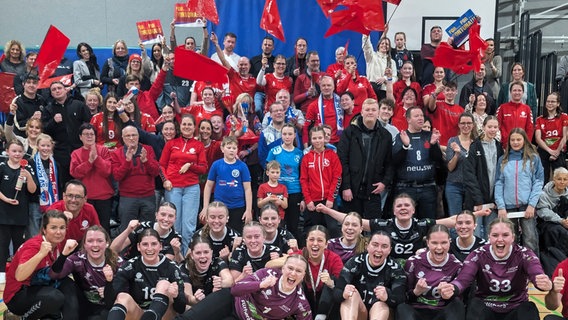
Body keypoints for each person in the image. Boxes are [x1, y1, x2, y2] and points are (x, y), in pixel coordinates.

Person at [318, 193, 490, 265]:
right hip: (391, 268)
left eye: (407, 205)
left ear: (413, 210)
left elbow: (453, 221)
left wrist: (479, 213)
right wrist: (327, 210)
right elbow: (355, 221)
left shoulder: (422, 224)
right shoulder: (385, 225)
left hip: (416, 268)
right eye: (399, 206)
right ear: (393, 210)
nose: (403, 208)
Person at [442, 218, 552, 320]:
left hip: (515, 307)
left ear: (513, 237)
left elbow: (536, 272)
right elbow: (463, 279)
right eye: (495, 235)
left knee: (529, 308)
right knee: (474, 305)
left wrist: (543, 282)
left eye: (505, 235)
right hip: (486, 307)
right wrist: (452, 287)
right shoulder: (478, 254)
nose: (500, 239)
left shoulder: (524, 254)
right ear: (489, 237)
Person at [171, 254, 312, 320]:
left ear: (303, 275)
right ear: (283, 268)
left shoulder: (299, 302)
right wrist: (260, 285)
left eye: (298, 271)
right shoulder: (267, 273)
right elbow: (235, 289)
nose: (293, 273)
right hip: (230, 300)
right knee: (191, 318)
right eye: (290, 268)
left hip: (243, 318)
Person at [4, 211, 79, 319]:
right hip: (17, 295)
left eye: (62, 228)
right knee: (55, 297)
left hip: (39, 286)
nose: (58, 232)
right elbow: (19, 276)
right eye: (53, 228)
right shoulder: (34, 246)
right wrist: (40, 254)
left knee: (68, 284)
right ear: (44, 230)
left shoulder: (57, 243)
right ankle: (21, 318)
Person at [106, 228, 187, 320]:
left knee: (164, 284)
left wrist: (176, 296)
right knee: (122, 297)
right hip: (139, 315)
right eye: (145, 244)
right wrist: (108, 282)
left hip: (164, 316)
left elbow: (181, 309)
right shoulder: (130, 266)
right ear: (138, 247)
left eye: (154, 244)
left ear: (160, 246)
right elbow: (109, 304)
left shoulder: (171, 268)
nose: (149, 248)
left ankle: (152, 315)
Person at [266, 225, 343, 319]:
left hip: (326, 303)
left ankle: (320, 316)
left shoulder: (333, 259)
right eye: (311, 239)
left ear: (326, 244)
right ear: (306, 242)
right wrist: (288, 261)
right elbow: (269, 265)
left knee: (331, 280)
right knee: (293, 274)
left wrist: (331, 283)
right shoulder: (300, 256)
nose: (315, 243)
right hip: (304, 298)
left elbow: (341, 289)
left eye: (320, 240)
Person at [49, 225, 122, 320]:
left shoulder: (118, 263)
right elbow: (54, 275)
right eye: (90, 241)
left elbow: (125, 293)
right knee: (66, 282)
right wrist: (64, 254)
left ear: (107, 243)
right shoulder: (77, 259)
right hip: (84, 305)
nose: (95, 245)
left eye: (99, 241)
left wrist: (110, 288)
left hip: (108, 307)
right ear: (84, 244)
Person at [338, 98, 393, 219]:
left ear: (378, 113)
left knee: (374, 228)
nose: (370, 112)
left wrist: (385, 182)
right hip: (351, 190)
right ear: (361, 112)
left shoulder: (386, 136)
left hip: (373, 190)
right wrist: (346, 186)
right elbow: (342, 161)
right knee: (352, 226)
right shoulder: (349, 132)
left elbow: (390, 163)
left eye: (373, 110)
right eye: (367, 110)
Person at [160, 114, 207, 254]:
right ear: (180, 127)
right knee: (175, 224)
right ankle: (175, 255)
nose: (186, 127)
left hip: (191, 188)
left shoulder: (198, 145)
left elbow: (203, 168)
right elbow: (161, 165)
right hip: (173, 187)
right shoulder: (171, 144)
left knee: (188, 226)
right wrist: (165, 180)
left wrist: (190, 165)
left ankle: (187, 257)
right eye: (184, 124)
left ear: (194, 127)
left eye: (189, 125)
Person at [333, 231, 407, 320]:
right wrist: (343, 294)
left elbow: (401, 299)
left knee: (380, 305)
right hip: (360, 311)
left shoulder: (395, 268)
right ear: (367, 246)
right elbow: (337, 291)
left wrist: (388, 297)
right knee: (350, 294)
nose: (379, 250)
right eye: (375, 245)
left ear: (389, 250)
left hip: (383, 312)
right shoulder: (355, 262)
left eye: (384, 246)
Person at [396, 225, 465, 320]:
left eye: (444, 242)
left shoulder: (457, 265)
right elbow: (404, 297)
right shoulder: (413, 262)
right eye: (434, 243)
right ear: (427, 243)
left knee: (458, 305)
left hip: (442, 312)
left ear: (450, 242)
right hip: (416, 311)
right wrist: (416, 292)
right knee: (402, 307)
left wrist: (449, 295)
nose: (439, 247)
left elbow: (460, 298)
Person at [495, 128, 544, 254]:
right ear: (509, 141)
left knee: (530, 238)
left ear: (524, 140)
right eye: (513, 140)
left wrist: (532, 205)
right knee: (511, 238)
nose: (515, 142)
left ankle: (533, 269)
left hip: (527, 206)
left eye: (518, 139)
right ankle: (512, 267)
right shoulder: (503, 160)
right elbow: (499, 183)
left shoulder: (533, 158)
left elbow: (538, 182)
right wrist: (501, 206)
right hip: (507, 207)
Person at [392, 106, 443, 219]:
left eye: (421, 116)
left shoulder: (429, 135)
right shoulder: (401, 136)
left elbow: (438, 160)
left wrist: (434, 145)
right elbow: (395, 161)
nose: (420, 118)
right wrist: (405, 146)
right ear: (408, 119)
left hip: (428, 188)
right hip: (406, 188)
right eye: (416, 116)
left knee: (428, 223)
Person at [42, 81, 92, 189]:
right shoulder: (48, 109)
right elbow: (44, 131)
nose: (57, 91)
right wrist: (53, 122)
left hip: (80, 151)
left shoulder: (78, 105)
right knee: (64, 184)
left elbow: (89, 125)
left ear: (65, 90)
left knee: (83, 183)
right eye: (54, 89)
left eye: (59, 88)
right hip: (60, 153)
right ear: (51, 94)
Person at [110, 125, 160, 232]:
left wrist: (146, 161)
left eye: (134, 135)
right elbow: (117, 176)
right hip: (128, 198)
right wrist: (127, 161)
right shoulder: (116, 153)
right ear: (122, 138)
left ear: (138, 136)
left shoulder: (148, 149)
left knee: (147, 231)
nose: (131, 138)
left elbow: (156, 172)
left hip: (148, 197)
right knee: (127, 232)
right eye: (128, 136)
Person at [0, 139, 37, 277]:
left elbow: (33, 190)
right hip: (3, 212)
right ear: (7, 151)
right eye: (14, 151)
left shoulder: (27, 168)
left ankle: (17, 273)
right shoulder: (2, 166)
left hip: (20, 213)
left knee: (18, 244)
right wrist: (6, 200)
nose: (17, 154)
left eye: (20, 151)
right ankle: (1, 273)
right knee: (2, 244)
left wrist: (28, 177)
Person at [201, 136, 253, 233]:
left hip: (238, 207)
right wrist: (205, 207)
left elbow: (247, 189)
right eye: (229, 148)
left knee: (237, 235)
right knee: (217, 232)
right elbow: (208, 186)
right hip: (219, 207)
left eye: (234, 148)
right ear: (222, 148)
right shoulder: (216, 165)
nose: (231, 150)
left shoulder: (242, 166)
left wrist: (248, 209)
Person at [463, 115, 503, 237]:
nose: (492, 129)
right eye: (490, 126)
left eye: (495, 127)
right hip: (477, 201)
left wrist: (498, 198)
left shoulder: (499, 146)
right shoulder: (475, 146)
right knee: (476, 233)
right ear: (483, 127)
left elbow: (501, 175)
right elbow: (469, 175)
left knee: (491, 233)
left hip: (493, 201)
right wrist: (478, 198)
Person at [70, 123, 113, 233]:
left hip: (104, 197)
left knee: (103, 228)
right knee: (85, 229)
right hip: (85, 198)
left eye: (91, 134)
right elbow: (75, 173)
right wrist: (89, 162)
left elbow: (107, 171)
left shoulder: (103, 150)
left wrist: (96, 158)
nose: (89, 136)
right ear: (80, 137)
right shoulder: (76, 153)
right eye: (86, 134)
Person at [301, 126, 342, 235]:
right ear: (311, 140)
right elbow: (304, 180)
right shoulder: (306, 158)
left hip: (329, 200)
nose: (317, 141)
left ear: (325, 138)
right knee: (316, 231)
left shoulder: (332, 155)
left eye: (320, 138)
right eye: (314, 138)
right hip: (313, 201)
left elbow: (337, 178)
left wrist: (331, 198)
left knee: (333, 229)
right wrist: (308, 200)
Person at [111, 201, 183, 263]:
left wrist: (177, 251)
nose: (166, 219)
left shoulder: (175, 237)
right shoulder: (142, 227)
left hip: (157, 272)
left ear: (175, 219)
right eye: (163, 214)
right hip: (132, 267)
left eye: (170, 216)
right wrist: (128, 230)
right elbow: (113, 249)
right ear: (156, 215)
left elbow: (165, 263)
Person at [266, 123, 304, 239]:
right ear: (281, 135)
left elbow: (303, 175)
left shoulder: (299, 153)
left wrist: (303, 198)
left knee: (293, 224)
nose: (287, 137)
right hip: (277, 192)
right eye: (284, 134)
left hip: (294, 192)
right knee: (277, 223)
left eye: (290, 134)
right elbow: (267, 172)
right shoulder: (274, 151)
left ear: (294, 135)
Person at [179, 237, 233, 307]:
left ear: (211, 252)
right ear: (192, 255)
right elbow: (188, 299)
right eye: (198, 253)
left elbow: (230, 281)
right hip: (194, 309)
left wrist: (221, 283)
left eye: (206, 252)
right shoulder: (184, 268)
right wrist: (196, 300)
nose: (202, 256)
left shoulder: (217, 262)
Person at [445, 112, 476, 220]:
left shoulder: (477, 142)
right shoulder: (452, 141)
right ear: (458, 125)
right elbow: (450, 167)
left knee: (471, 218)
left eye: (469, 123)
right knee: (455, 218)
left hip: (472, 186)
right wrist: (457, 154)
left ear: (473, 125)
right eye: (463, 123)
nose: (466, 126)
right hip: (454, 185)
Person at [28, 133, 58, 238]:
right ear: (37, 146)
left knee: (49, 235)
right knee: (34, 235)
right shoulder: (31, 162)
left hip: (51, 204)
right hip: (35, 203)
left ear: (52, 146)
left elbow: (59, 184)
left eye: (48, 146)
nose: (45, 148)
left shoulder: (55, 163)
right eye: (43, 145)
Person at [535, 92, 568, 183]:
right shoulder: (539, 119)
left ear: (558, 104)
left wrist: (556, 152)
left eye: (553, 101)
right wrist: (550, 151)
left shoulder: (564, 117)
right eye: (548, 101)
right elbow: (538, 138)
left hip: (559, 151)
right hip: (544, 151)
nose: (550, 103)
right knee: (542, 179)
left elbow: (565, 136)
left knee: (561, 179)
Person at [303, 75, 344, 146]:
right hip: (320, 143)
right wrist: (306, 146)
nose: (326, 88)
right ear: (320, 88)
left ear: (334, 87)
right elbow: (306, 127)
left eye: (329, 85)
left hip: (339, 141)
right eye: (323, 85)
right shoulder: (313, 105)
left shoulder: (341, 102)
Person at [536, 167, 568, 256]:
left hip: (564, 221)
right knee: (559, 232)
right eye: (559, 179)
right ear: (554, 179)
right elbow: (543, 211)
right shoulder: (544, 194)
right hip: (547, 223)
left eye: (565, 179)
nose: (562, 182)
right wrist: (561, 221)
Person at [426, 80, 464, 147]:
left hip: (453, 146)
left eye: (452, 90)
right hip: (438, 144)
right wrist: (435, 93)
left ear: (456, 92)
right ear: (443, 92)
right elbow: (431, 106)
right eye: (447, 90)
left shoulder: (461, 110)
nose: (450, 92)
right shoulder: (438, 105)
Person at [10, 73, 46, 138]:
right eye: (28, 82)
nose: (31, 85)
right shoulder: (16, 101)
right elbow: (19, 126)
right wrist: (32, 119)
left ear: (38, 85)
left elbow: (45, 121)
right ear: (23, 84)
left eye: (34, 83)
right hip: (22, 140)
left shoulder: (41, 99)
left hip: (38, 140)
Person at [362, 35, 397, 100]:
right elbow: (367, 47)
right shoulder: (372, 56)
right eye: (382, 43)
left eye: (386, 44)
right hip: (371, 90)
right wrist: (366, 35)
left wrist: (385, 78)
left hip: (385, 91)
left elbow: (394, 77)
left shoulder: (392, 62)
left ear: (389, 47)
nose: (384, 45)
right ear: (378, 45)